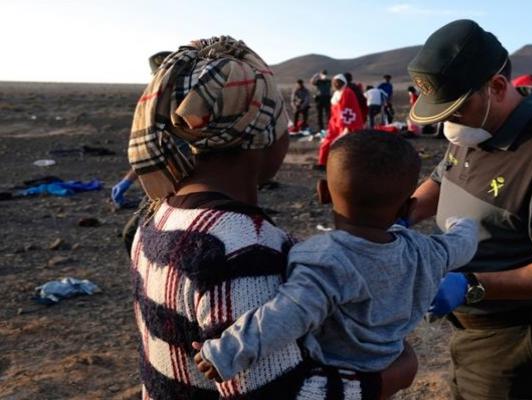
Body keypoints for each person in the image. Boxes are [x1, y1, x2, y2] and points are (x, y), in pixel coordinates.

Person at [128, 37, 416, 399]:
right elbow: (277, 393)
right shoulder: (241, 246)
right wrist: (394, 375)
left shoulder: (159, 216)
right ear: (260, 136)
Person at [193, 131, 479, 397]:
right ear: (407, 208)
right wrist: (461, 222)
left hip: (335, 376)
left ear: (323, 192)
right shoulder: (424, 250)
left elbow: (285, 315)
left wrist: (225, 353)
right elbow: (462, 244)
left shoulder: (324, 258)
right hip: (387, 364)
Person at [406, 20, 532, 399]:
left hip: (521, 341)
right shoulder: (473, 127)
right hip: (471, 336)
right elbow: (441, 177)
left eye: (455, 110)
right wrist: (402, 213)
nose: (448, 122)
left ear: (496, 87)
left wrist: (472, 286)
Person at [113, 50, 173, 255]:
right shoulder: (161, 101)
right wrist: (127, 180)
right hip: (165, 184)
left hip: (174, 186)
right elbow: (149, 149)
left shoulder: (167, 103)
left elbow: (150, 149)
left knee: (133, 235)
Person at [315, 74, 364, 170]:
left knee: (339, 144)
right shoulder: (337, 93)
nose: (335, 84)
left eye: (337, 82)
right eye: (334, 82)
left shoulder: (347, 92)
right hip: (335, 124)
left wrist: (346, 126)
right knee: (326, 142)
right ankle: (322, 163)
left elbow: (347, 109)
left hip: (344, 124)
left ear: (343, 82)